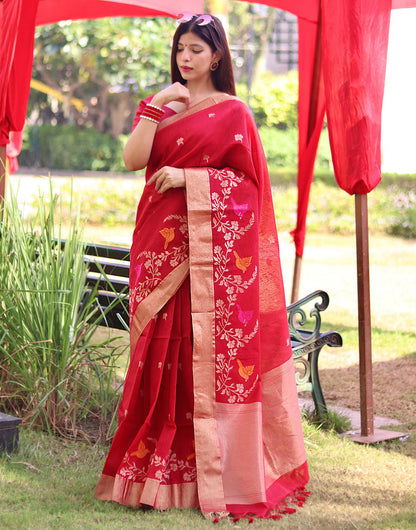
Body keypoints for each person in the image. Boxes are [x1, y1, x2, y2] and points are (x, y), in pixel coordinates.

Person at [95, 12, 309, 521]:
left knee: (203, 361)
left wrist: (189, 178)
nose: (185, 59)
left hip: (209, 264)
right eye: (180, 49)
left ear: (217, 56)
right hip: (160, 252)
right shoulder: (162, 109)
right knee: (158, 360)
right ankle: (151, 475)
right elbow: (132, 160)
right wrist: (154, 107)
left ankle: (208, 474)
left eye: (196, 50)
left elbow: (251, 193)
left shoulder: (233, 113)